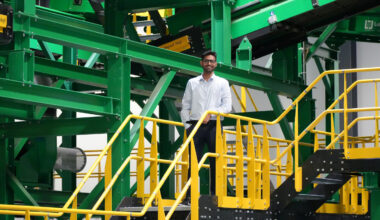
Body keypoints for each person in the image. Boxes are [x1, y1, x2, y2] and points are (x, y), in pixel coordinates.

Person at [181, 50, 232, 201]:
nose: (209, 63)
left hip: (214, 126)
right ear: (201, 63)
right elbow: (185, 106)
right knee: (193, 162)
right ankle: (190, 196)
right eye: (206, 61)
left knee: (215, 161)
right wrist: (187, 126)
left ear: (215, 64)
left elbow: (227, 106)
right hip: (195, 126)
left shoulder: (222, 83)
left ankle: (215, 195)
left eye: (212, 61)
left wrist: (212, 112)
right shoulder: (192, 83)